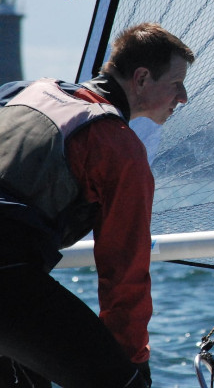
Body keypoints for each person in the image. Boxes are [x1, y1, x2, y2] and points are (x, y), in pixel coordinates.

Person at [0, 22, 194, 388]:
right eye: (176, 84)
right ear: (141, 79)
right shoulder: (118, 148)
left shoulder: (25, 90)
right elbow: (123, 269)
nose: (183, 96)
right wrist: (135, 365)